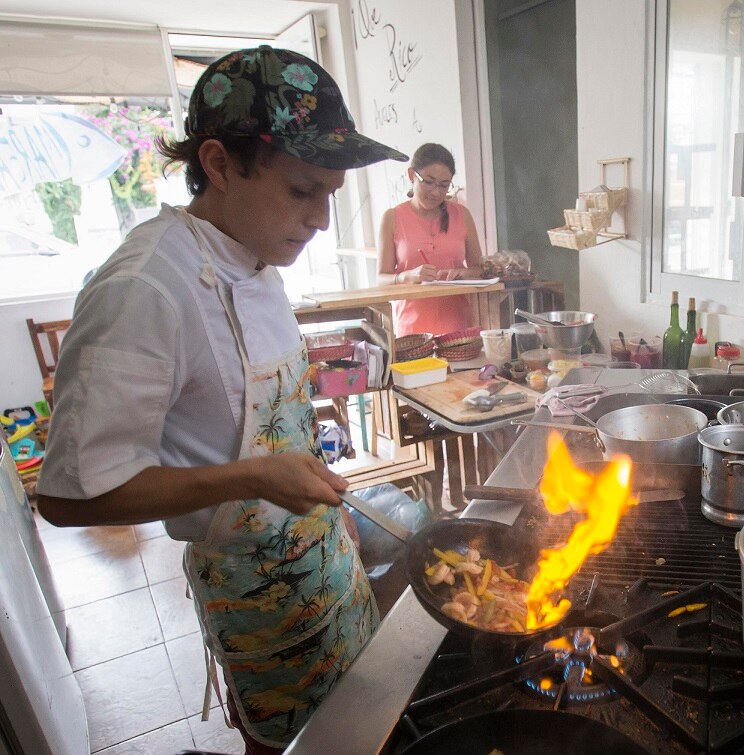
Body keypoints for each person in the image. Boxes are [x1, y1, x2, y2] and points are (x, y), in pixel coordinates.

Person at [35, 46, 408, 754]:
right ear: (218, 161)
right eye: (303, 191)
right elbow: (70, 496)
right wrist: (251, 478)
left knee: (364, 733)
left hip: (329, 566)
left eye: (330, 193)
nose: (322, 219)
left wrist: (331, 525)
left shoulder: (256, 255)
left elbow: (266, 417)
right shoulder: (143, 287)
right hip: (256, 599)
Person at [377, 143, 484, 335]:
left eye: (444, 186)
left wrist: (460, 274)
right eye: (428, 182)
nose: (436, 192)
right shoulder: (392, 218)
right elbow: (381, 279)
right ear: (411, 175)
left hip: (459, 331)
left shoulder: (462, 215)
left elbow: (480, 270)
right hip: (412, 333)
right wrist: (405, 277)